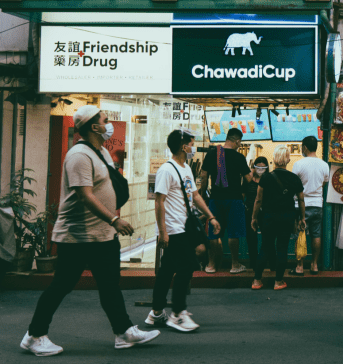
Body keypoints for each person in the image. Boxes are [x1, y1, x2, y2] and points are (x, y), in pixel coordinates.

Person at [21, 106, 160, 356]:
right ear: (94, 127)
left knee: (109, 285)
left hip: (101, 235)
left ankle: (123, 332)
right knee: (61, 285)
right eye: (105, 121)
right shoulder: (78, 156)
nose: (109, 125)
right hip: (78, 236)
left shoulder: (101, 152)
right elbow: (84, 196)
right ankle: (34, 335)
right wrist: (113, 219)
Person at [146, 129, 221, 332]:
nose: (193, 146)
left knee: (167, 270)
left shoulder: (186, 168)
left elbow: (195, 196)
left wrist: (211, 217)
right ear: (182, 146)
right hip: (172, 229)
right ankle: (177, 314)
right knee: (187, 266)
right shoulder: (166, 170)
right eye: (191, 143)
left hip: (183, 227)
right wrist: (163, 231)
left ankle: (156, 313)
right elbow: (159, 202)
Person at [251, 145, 306, 290]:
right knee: (282, 248)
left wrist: (254, 218)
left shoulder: (266, 178)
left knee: (265, 247)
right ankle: (278, 282)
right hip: (286, 218)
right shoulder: (294, 178)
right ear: (287, 159)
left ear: (274, 159)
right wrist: (302, 218)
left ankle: (257, 281)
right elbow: (301, 200)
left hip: (268, 217)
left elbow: (258, 200)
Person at [199, 128, 252, 274]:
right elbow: (249, 179)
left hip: (215, 198)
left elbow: (203, 176)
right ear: (237, 141)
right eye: (239, 143)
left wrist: (203, 194)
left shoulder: (211, 154)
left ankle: (211, 265)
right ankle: (234, 265)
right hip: (234, 199)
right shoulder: (239, 157)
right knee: (233, 233)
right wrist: (242, 190)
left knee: (214, 233)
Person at [291, 136, 329, 275]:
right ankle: (314, 266)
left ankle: (300, 267)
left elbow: (294, 185)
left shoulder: (298, 164)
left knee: (300, 234)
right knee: (316, 234)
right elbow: (324, 184)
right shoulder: (324, 165)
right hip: (317, 204)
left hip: (301, 204)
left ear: (305, 147)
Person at [243, 156, 269, 272]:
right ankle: (254, 264)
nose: (260, 169)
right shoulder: (248, 180)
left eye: (263, 167)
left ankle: (264, 263)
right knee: (251, 239)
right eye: (258, 166)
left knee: (266, 239)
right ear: (254, 167)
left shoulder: (269, 179)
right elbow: (242, 194)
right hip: (249, 212)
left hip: (264, 213)